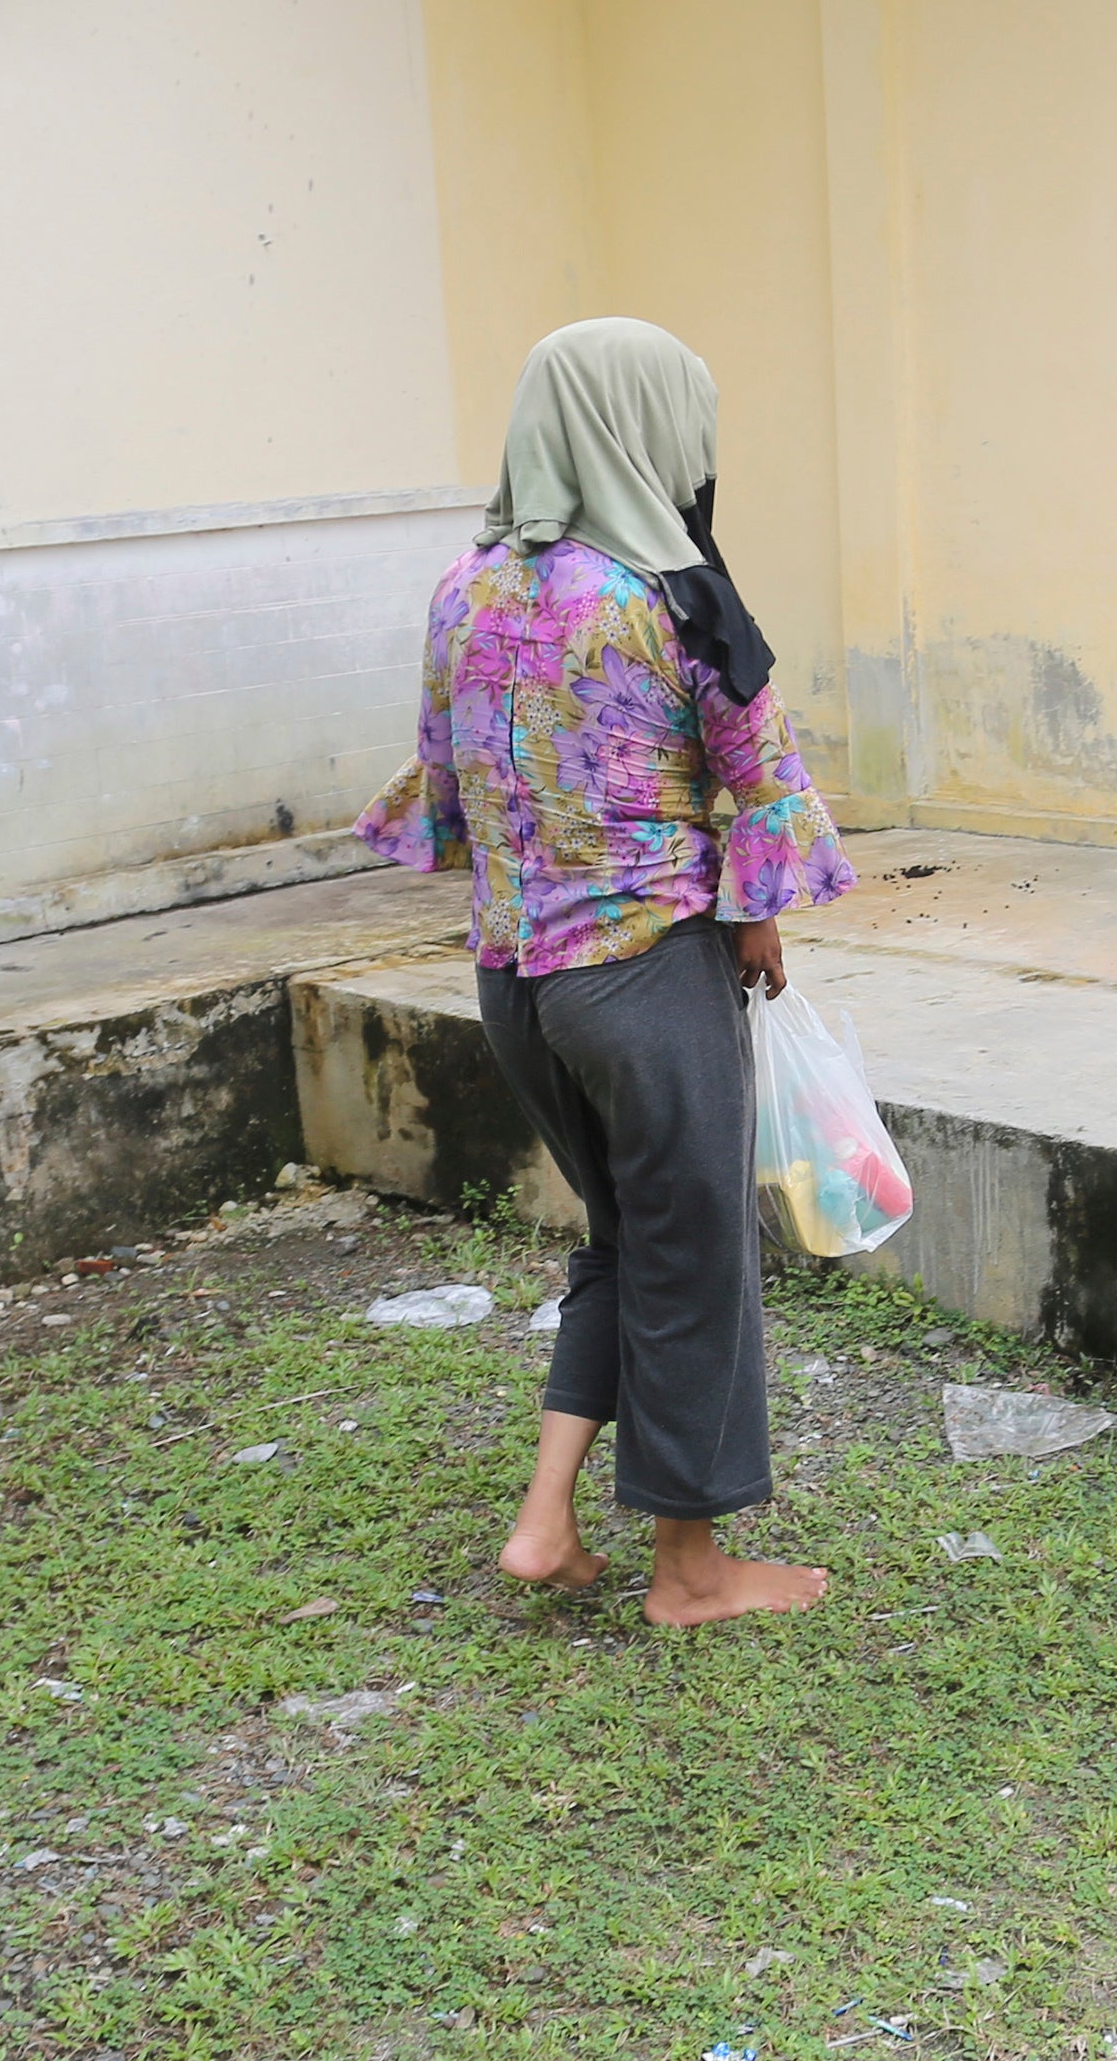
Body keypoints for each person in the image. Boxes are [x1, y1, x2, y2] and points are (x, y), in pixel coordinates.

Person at [363, 318, 855, 1626]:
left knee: (623, 1238)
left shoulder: (463, 588)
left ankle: (544, 1524)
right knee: (693, 1257)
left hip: (515, 982)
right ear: (650, 428)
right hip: (645, 976)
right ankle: (690, 1572)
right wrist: (755, 911)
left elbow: (444, 784)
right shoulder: (672, 593)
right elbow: (762, 778)